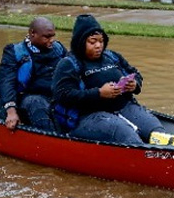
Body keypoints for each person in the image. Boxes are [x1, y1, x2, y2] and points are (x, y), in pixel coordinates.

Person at [52, 14, 164, 144]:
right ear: (80, 42)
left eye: (101, 41)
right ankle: (144, 158)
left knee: (155, 130)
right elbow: (62, 95)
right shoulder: (69, 64)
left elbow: (134, 72)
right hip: (88, 116)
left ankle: (171, 154)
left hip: (124, 107)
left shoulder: (112, 56)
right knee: (126, 134)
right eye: (92, 42)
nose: (98, 46)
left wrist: (134, 84)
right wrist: (99, 93)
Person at [0, 17, 67, 131]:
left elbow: (73, 68)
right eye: (47, 37)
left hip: (55, 95)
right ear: (32, 33)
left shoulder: (59, 49)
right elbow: (6, 81)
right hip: (29, 98)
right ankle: (51, 139)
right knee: (36, 102)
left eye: (53, 36)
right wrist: (11, 111)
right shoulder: (14, 52)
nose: (51, 40)